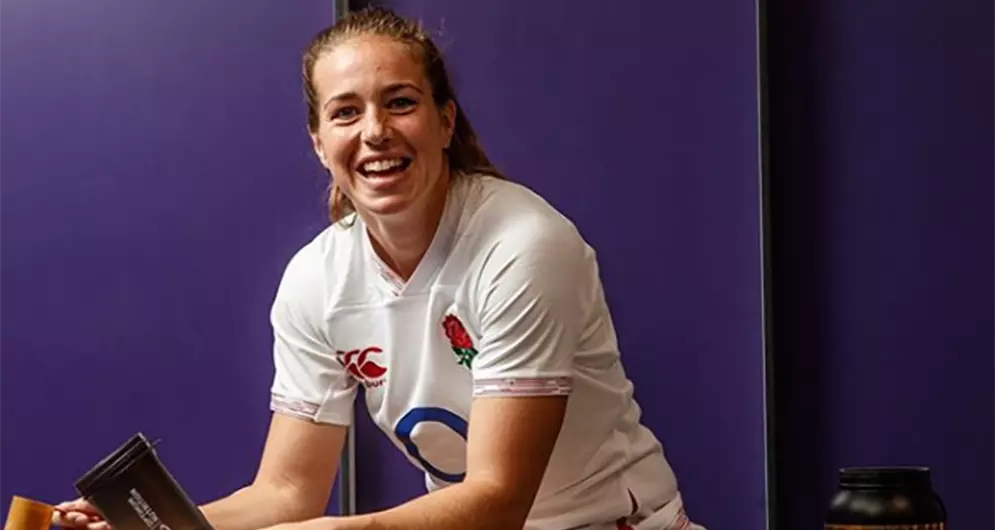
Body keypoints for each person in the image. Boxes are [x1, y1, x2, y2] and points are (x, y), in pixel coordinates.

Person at [53, 6, 703, 530]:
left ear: (444, 121)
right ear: (318, 142)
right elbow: (286, 491)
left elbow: (500, 499)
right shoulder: (315, 280)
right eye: (345, 111)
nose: (374, 132)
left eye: (399, 102)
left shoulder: (525, 245)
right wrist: (155, 527)